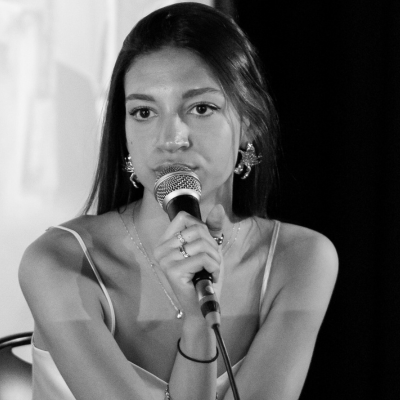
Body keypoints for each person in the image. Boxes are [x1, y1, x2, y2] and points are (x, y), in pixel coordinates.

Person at [19, 3, 338, 399]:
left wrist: (198, 314)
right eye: (143, 112)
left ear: (250, 124)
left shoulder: (300, 258)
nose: (171, 138)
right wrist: (198, 324)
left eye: (201, 108)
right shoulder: (58, 263)